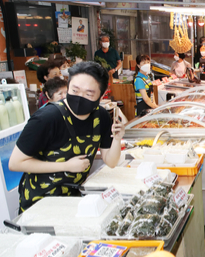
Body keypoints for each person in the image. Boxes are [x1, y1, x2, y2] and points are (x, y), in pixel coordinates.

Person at [9, 62, 124, 211]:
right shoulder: (46, 118)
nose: (80, 97)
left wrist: (116, 138)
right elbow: (15, 163)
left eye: (88, 94)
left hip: (73, 199)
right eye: (75, 90)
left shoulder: (100, 117)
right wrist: (66, 166)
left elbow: (111, 161)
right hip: (40, 202)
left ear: (101, 95)